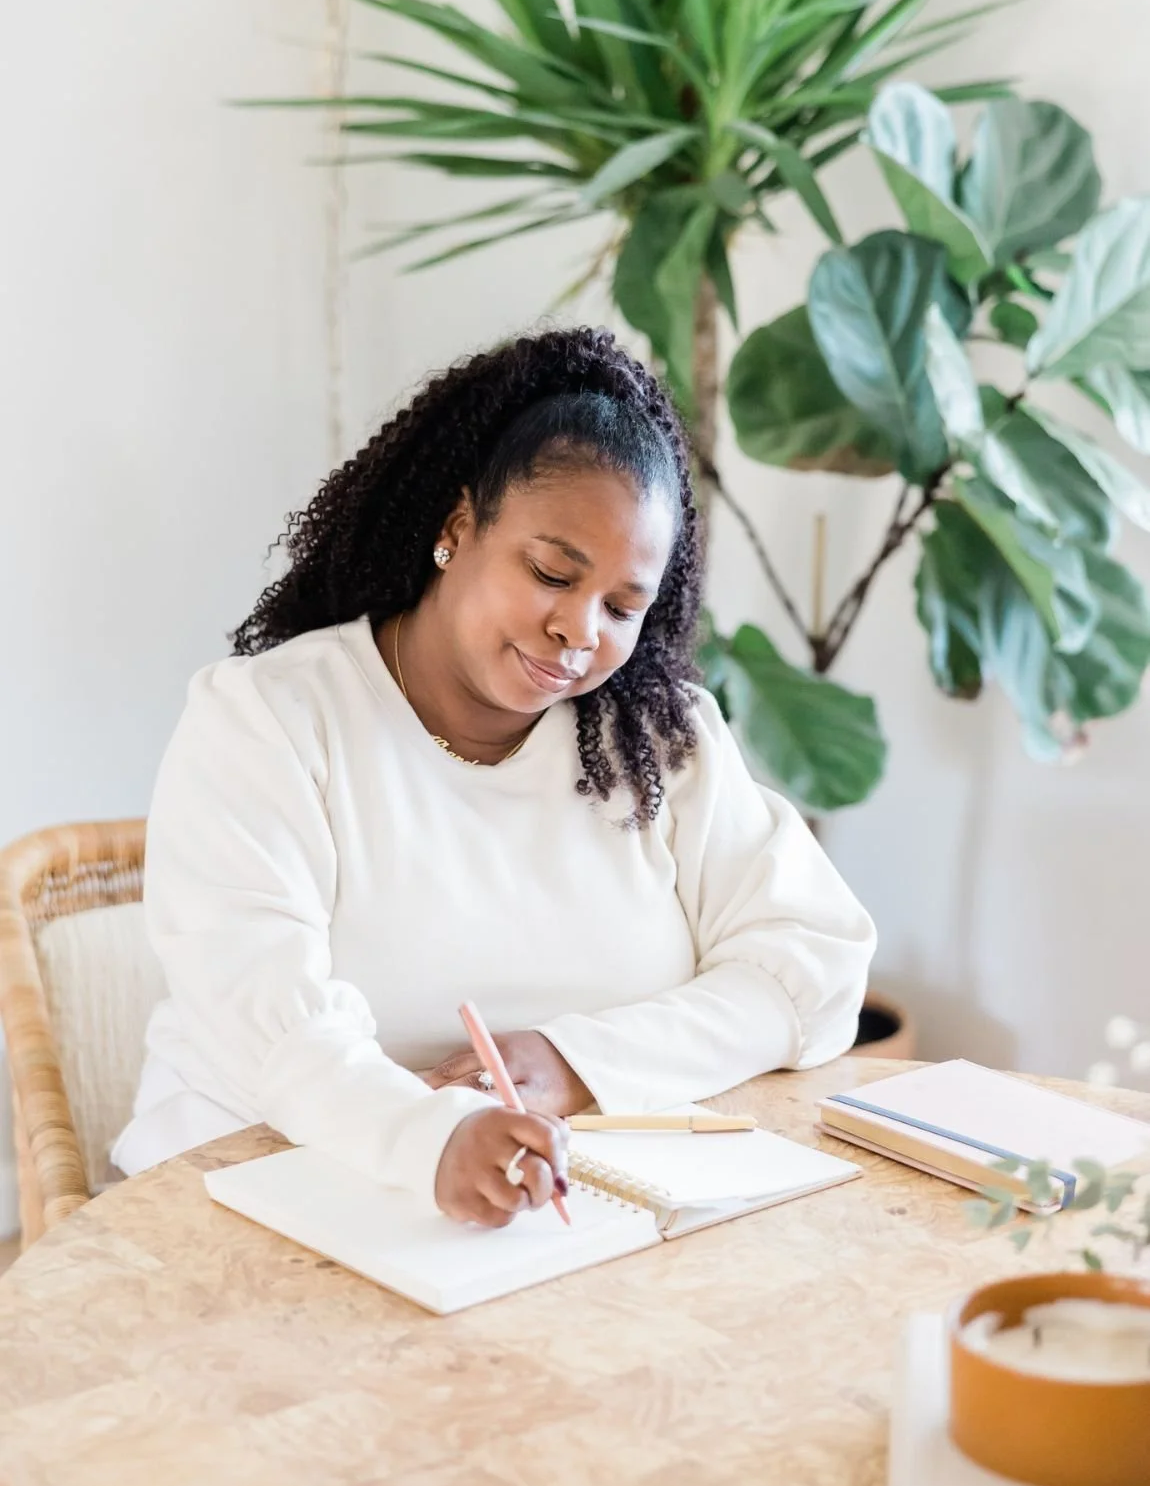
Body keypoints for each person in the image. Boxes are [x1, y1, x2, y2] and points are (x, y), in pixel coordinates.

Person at [113, 327, 876, 1228]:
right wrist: (431, 1137)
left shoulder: (657, 738)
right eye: (552, 572)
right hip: (252, 1199)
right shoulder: (268, 721)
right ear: (457, 526)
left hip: (555, 1223)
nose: (581, 631)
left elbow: (813, 970)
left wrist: (574, 1062)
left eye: (624, 607)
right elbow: (270, 1030)